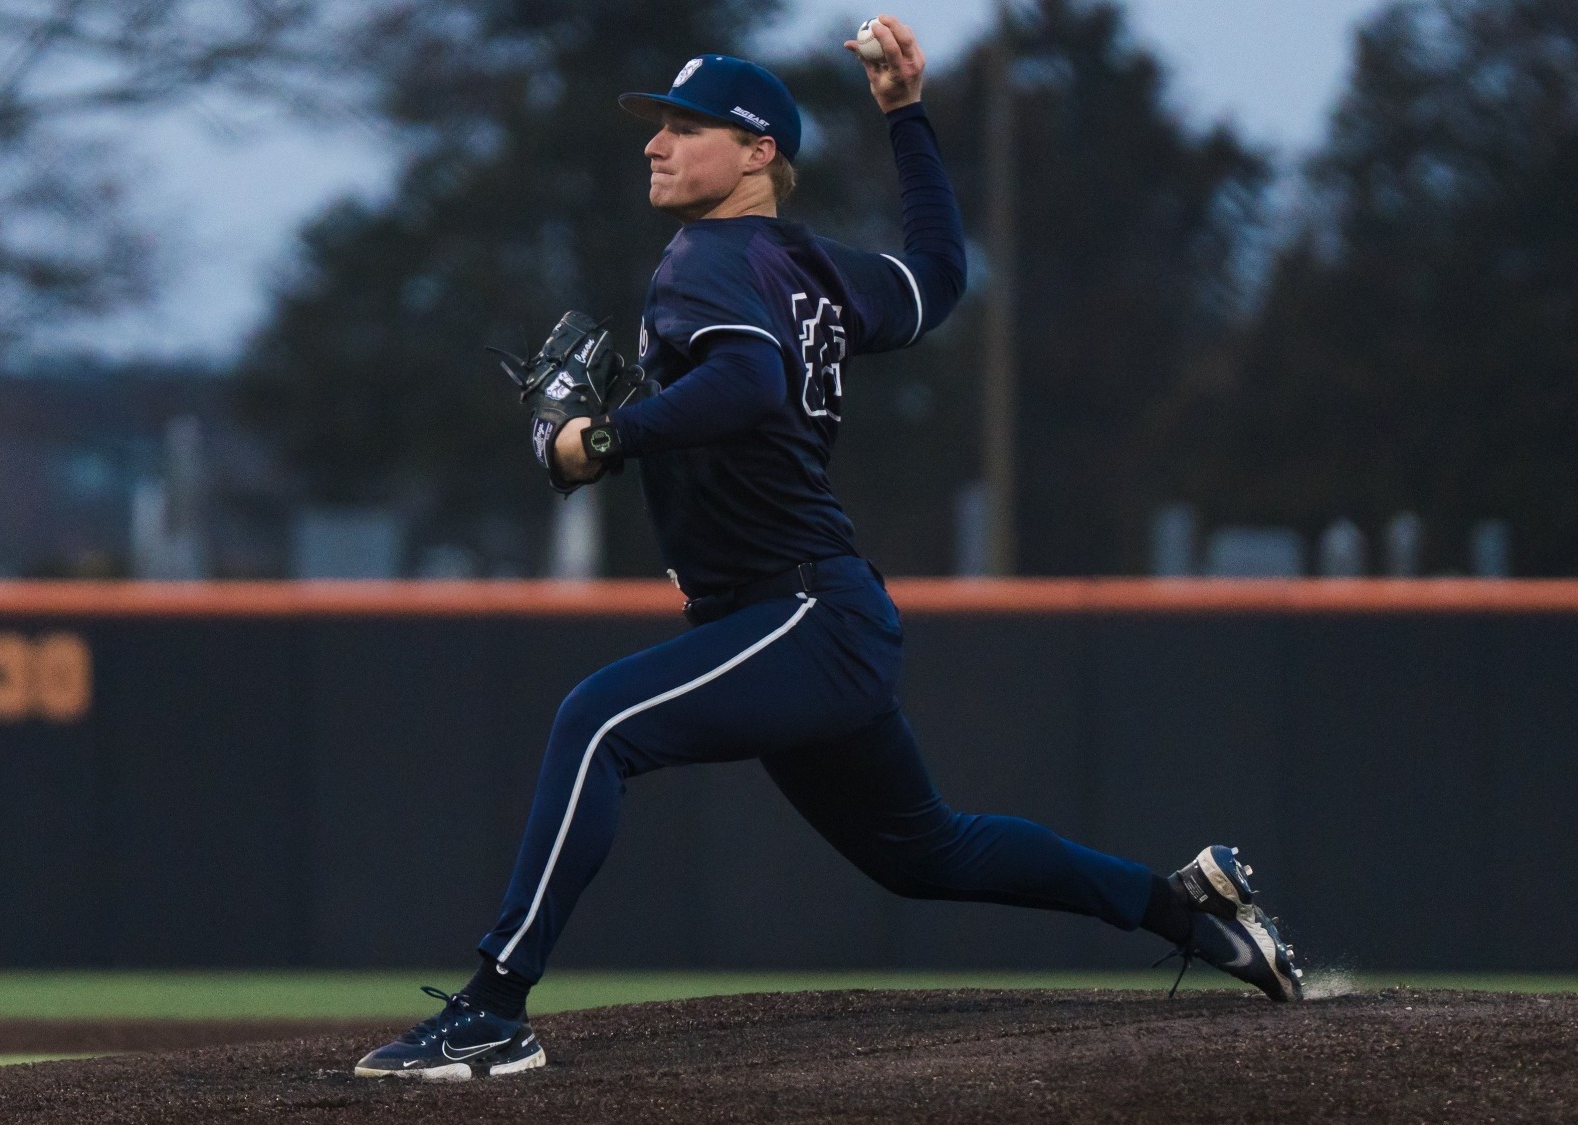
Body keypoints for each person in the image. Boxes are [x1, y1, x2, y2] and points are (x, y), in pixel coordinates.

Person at [355, 15, 1303, 1082]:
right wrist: (905, 116)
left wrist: (605, 438)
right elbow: (939, 276)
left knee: (596, 723)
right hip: (815, 618)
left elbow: (749, 382)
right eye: (658, 127)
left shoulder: (705, 259)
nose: (656, 145)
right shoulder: (808, 266)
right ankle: (1189, 912)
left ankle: (494, 1007)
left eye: (687, 128)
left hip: (796, 614)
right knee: (927, 850)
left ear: (757, 152)